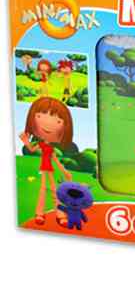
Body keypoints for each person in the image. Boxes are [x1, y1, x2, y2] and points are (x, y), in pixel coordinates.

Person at [19, 97, 74, 226]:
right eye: (39, 116)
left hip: (50, 170)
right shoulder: (41, 145)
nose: (47, 124)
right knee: (43, 190)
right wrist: (26, 141)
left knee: (55, 190)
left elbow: (56, 160)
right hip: (43, 169)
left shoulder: (51, 149)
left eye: (58, 121)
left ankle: (60, 214)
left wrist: (65, 171)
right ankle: (39, 213)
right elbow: (31, 149)